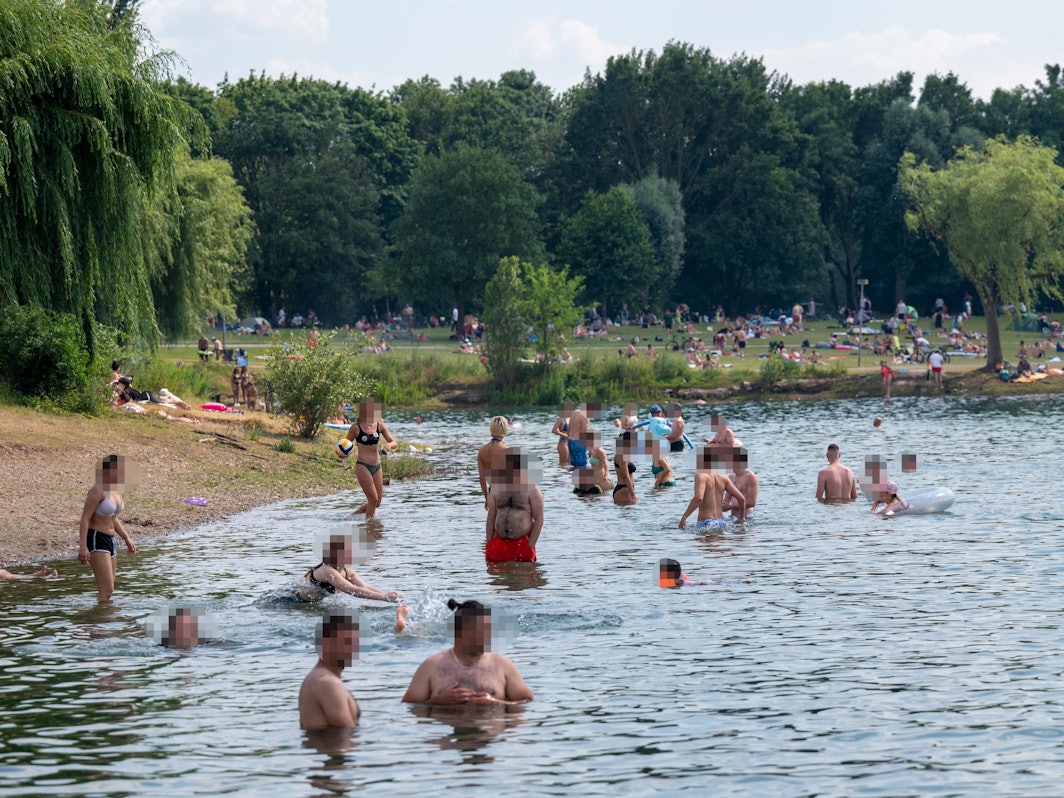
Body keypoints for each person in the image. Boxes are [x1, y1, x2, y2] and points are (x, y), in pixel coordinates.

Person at [402, 599, 533, 706]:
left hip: (492, 734)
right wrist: (437, 702)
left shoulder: (502, 665)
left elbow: (526, 702)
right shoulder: (431, 666)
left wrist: (496, 702)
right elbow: (409, 706)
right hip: (447, 734)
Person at [300, 533, 408, 632]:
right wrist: (384, 597)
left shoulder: (347, 570)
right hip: (293, 602)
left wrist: (390, 595)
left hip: (312, 605)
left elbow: (365, 587)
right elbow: (353, 590)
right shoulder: (327, 570)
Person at [78, 454, 137, 602]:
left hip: (111, 540)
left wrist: (126, 538)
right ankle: (97, 623)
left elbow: (113, 517)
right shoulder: (97, 490)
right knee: (106, 590)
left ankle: (101, 622)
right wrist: (83, 547)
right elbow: (85, 518)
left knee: (109, 591)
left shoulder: (115, 491)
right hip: (97, 538)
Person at [299, 610, 362, 729]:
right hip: (333, 748)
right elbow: (347, 734)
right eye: (347, 642)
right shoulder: (328, 683)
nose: (354, 648)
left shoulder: (317, 678)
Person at [485, 449, 544, 562]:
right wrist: (489, 543)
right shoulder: (496, 488)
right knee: (495, 578)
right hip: (498, 543)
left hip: (522, 543)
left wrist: (530, 545)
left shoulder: (532, 490)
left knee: (522, 577)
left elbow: (539, 520)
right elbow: (491, 517)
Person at [344, 398, 398, 518]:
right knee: (373, 499)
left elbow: (394, 442)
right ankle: (370, 526)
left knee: (377, 502)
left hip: (377, 466)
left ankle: (353, 515)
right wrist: (341, 453)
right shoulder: (355, 428)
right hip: (363, 466)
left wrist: (389, 445)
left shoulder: (380, 425)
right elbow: (345, 446)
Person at [679, 447, 746, 530]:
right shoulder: (723, 478)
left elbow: (699, 498)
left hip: (706, 522)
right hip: (721, 522)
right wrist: (741, 518)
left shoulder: (701, 476)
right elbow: (741, 499)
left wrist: (684, 517)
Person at [477, 416, 510, 509]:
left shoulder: (482, 451)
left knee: (493, 521)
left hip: (492, 491)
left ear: (491, 429)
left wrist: (487, 498)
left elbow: (482, 479)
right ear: (505, 429)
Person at [722, 446, 758, 519]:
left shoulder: (751, 477)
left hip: (747, 516)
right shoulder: (730, 477)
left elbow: (752, 503)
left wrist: (730, 507)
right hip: (732, 517)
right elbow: (726, 500)